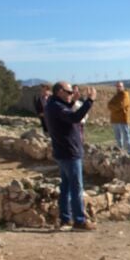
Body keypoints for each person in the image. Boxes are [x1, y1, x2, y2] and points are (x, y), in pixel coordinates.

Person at [44, 82, 97, 231]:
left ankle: (65, 219)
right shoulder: (56, 107)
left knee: (66, 187)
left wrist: (73, 102)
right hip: (69, 152)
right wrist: (89, 101)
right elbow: (74, 117)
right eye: (69, 92)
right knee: (76, 188)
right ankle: (79, 220)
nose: (71, 94)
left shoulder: (53, 105)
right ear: (60, 91)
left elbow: (66, 113)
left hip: (63, 151)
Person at [108, 81, 130, 153]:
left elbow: (120, 105)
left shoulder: (125, 95)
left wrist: (113, 108)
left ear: (123, 87)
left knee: (126, 137)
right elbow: (109, 105)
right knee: (118, 138)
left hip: (123, 119)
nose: (118, 88)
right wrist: (114, 107)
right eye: (117, 86)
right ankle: (120, 151)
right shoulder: (116, 96)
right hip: (115, 120)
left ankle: (129, 152)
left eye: (120, 86)